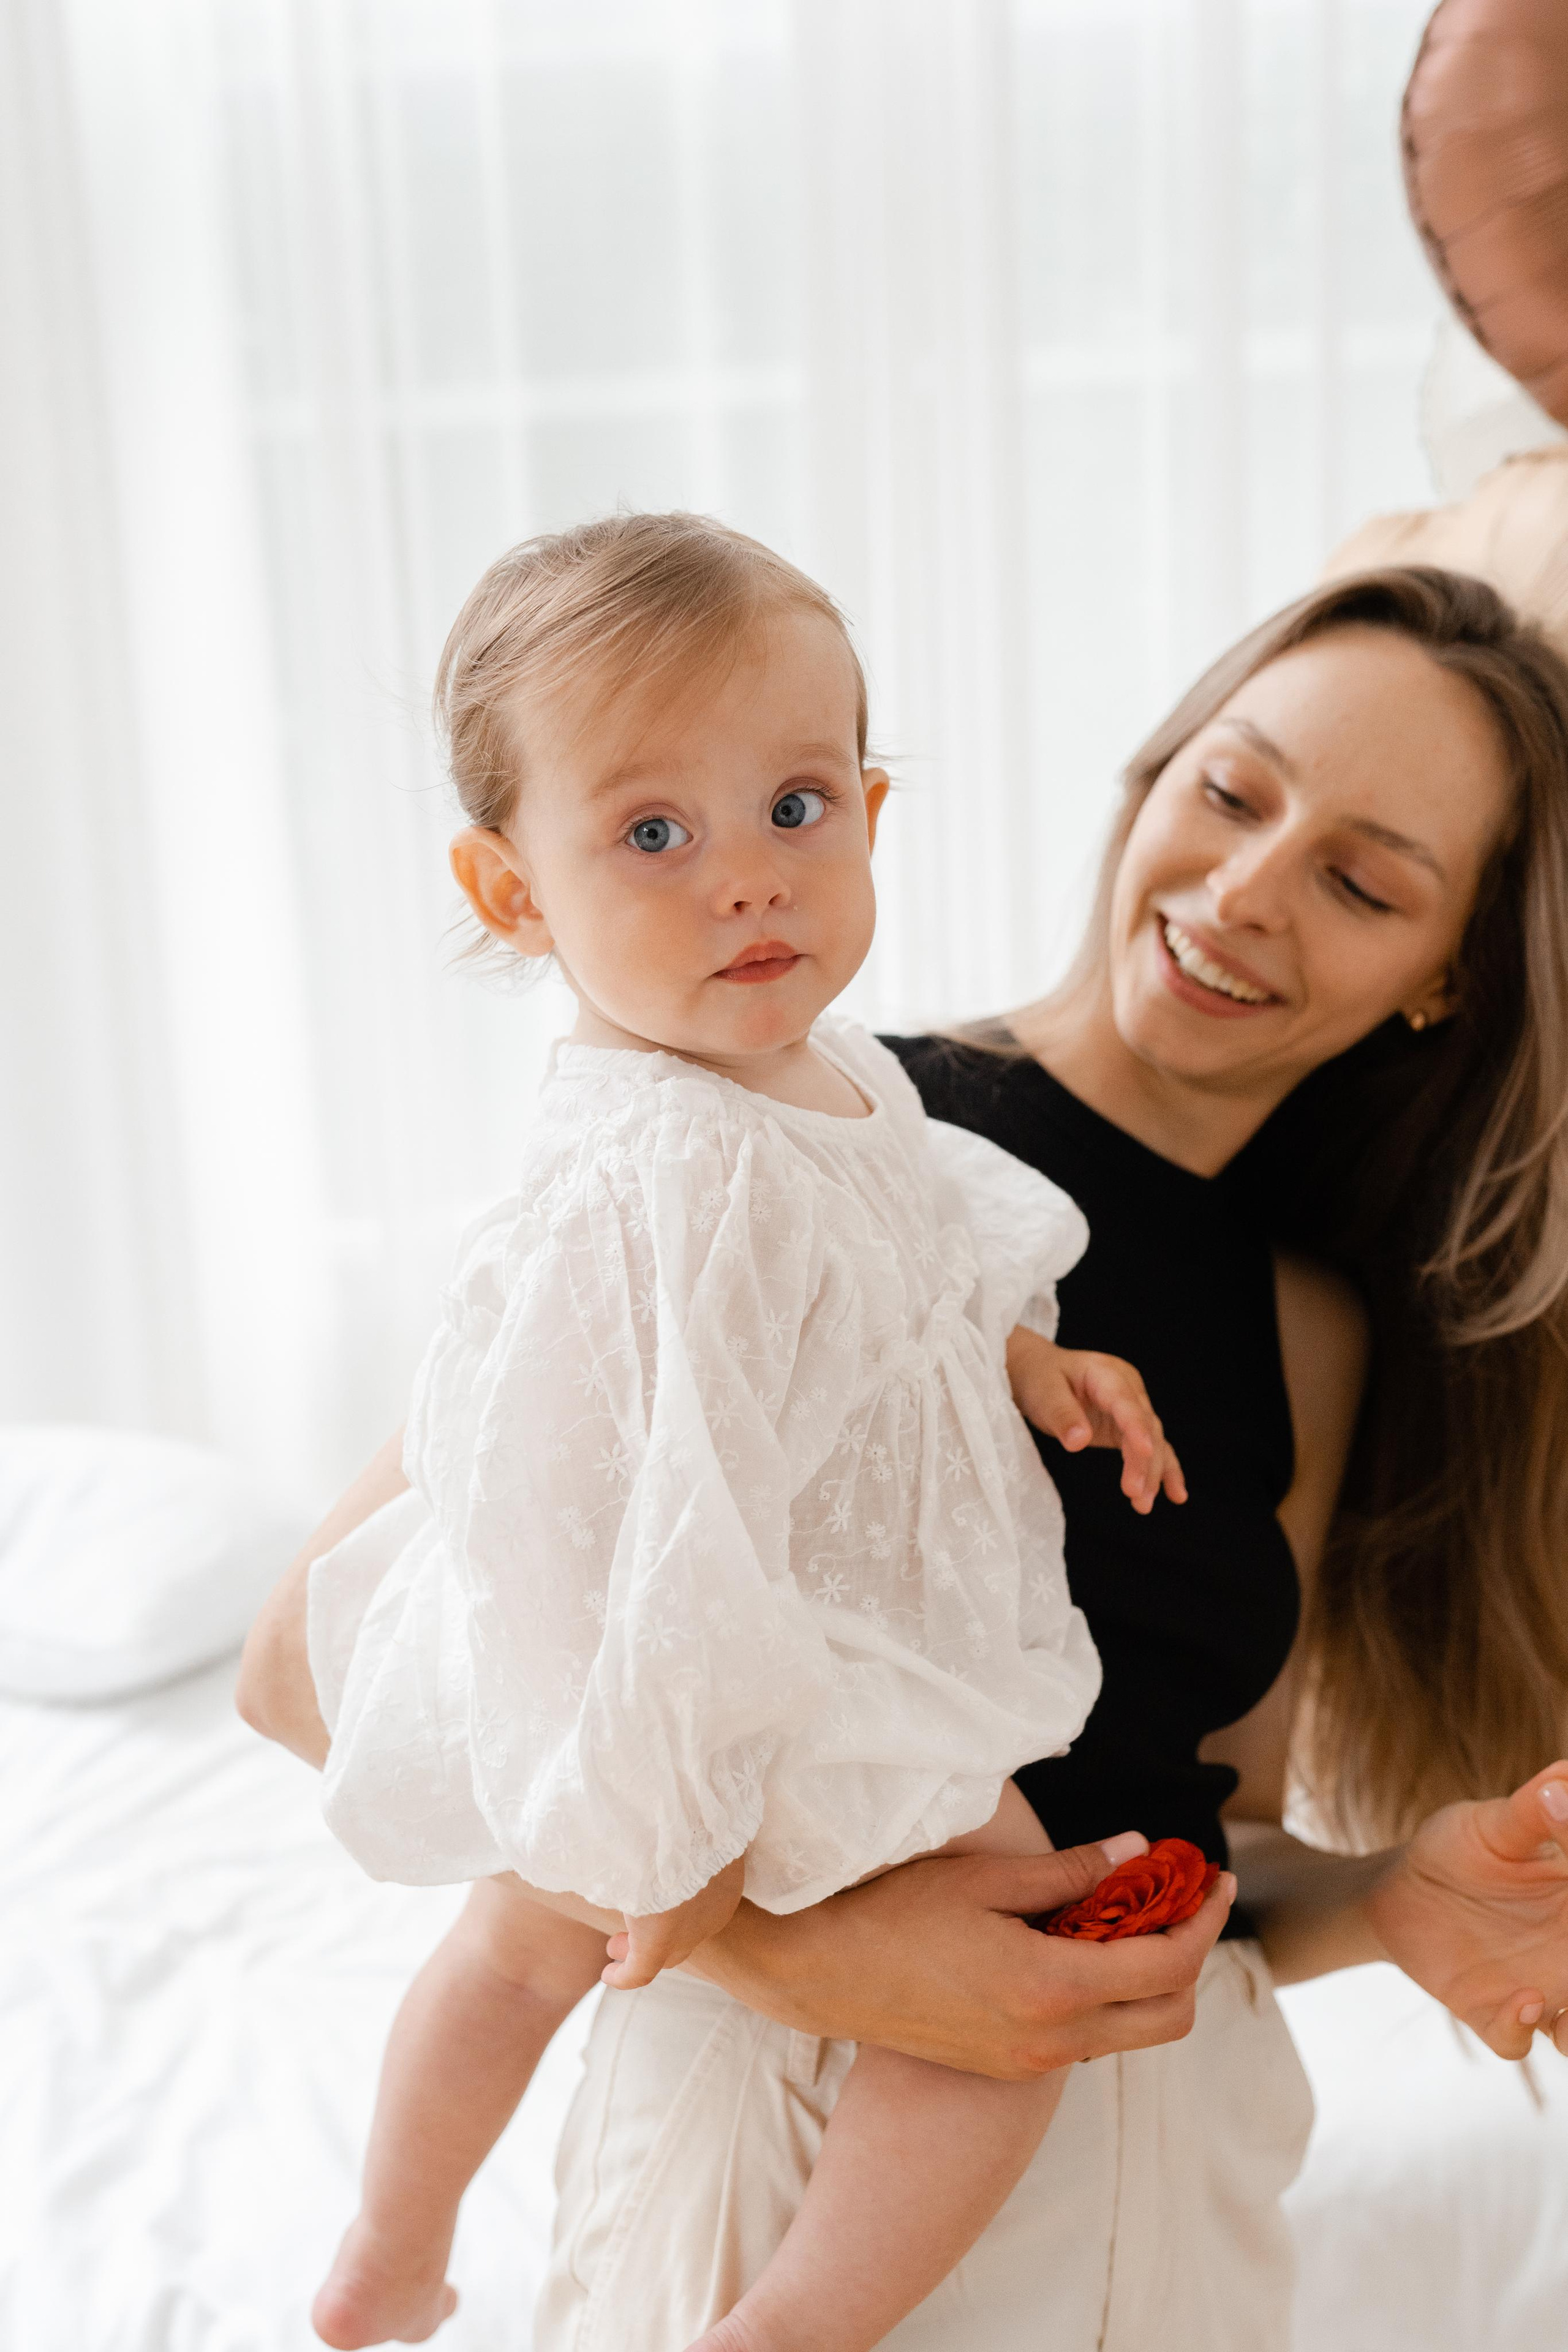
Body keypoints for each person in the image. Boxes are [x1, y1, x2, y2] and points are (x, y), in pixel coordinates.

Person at [243, 559, 1568, 2351]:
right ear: (1153, 775)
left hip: (1176, 2215)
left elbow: (1206, 1836)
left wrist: (1390, 1902)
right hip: (780, 2158)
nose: (1248, 892)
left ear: (1442, 978)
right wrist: (784, 1943)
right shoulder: (769, 1106)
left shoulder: (1311, 1334)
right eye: (1232, 791)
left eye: (1359, 880)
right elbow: (322, 1666)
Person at [257, 510, 1197, 2352]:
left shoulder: (831, 1067)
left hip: (812, 1624)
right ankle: (410, 2239)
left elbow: (912, 1245)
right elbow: (598, 1502)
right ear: (513, 893)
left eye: (796, 807)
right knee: (531, 1940)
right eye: (654, 835)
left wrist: (1022, 1356)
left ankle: (713, 2312)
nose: (749, 884)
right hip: (649, 1656)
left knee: (993, 1983)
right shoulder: (650, 1170)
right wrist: (680, 1824)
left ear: (873, 807)